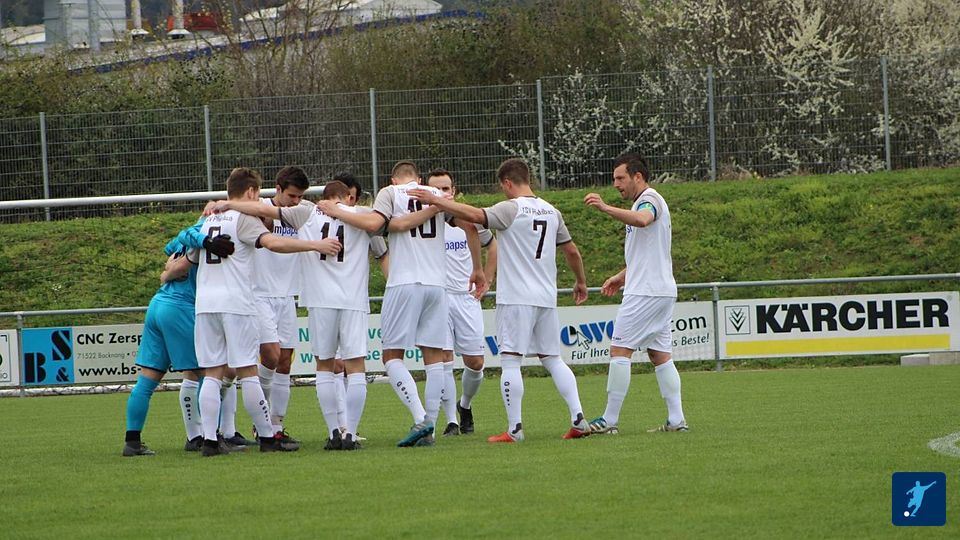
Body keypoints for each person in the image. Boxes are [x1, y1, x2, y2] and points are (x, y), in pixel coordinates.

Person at [409, 157, 591, 443]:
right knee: (553, 359)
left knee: (510, 362)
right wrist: (580, 281)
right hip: (546, 296)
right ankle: (578, 418)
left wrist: (437, 201)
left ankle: (515, 429)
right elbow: (571, 251)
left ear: (507, 183)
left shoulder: (511, 208)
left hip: (516, 297)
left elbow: (474, 215)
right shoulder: (551, 211)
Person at [317, 160, 485, 447]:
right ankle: (430, 429)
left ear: (393, 180)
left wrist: (336, 210)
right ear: (418, 179)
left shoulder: (390, 193)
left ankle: (421, 417)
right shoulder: (437, 196)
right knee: (434, 358)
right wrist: (478, 268)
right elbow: (470, 225)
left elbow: (377, 224)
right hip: (438, 285)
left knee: (392, 356)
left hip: (405, 281)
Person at [215, 181, 374, 451]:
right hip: (353, 300)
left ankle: (333, 433)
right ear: (348, 197)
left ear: (323, 197)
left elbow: (264, 209)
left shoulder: (308, 212)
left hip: (319, 300)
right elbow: (384, 224)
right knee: (355, 367)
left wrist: (228, 204)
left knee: (324, 366)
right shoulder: (363, 215)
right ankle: (350, 434)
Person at [195, 167, 342, 456]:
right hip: (243, 299)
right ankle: (265, 435)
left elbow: (188, 252)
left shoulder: (207, 219)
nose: (295, 200)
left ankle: (211, 440)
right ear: (254, 191)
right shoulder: (246, 217)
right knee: (250, 369)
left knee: (215, 372)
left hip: (208, 302)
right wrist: (315, 245)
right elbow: (272, 242)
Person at [582, 151, 687, 434]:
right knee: (659, 354)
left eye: (620, 178)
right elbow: (647, 254)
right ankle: (676, 419)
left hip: (646, 293)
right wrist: (621, 276)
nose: (616, 184)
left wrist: (605, 208)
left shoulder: (649, 199)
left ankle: (609, 420)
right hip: (659, 290)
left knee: (619, 350)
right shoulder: (644, 201)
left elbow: (642, 219)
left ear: (637, 176)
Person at [122, 222, 236, 456]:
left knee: (147, 379)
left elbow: (171, 249)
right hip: (181, 308)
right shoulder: (214, 233)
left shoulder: (190, 234)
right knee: (209, 373)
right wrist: (172, 270)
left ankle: (132, 441)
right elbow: (181, 262)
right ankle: (211, 438)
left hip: (158, 304)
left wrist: (168, 271)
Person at [426, 168, 497, 436]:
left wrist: (487, 278)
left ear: (453, 191)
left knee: (476, 363)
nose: (441, 193)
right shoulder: (423, 221)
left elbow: (493, 246)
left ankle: (464, 404)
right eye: (435, 189)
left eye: (445, 188)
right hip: (438, 297)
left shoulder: (469, 219)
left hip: (466, 298)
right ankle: (451, 421)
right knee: (443, 358)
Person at [251, 166, 310, 446]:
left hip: (287, 296)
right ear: (278, 189)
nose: (295, 201)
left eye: (300, 197)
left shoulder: (302, 212)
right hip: (259, 294)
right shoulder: (260, 210)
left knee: (285, 361)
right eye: (291, 196)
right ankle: (260, 422)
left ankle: (276, 426)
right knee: (271, 356)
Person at [330, 171, 389, 439]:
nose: (349, 202)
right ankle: (340, 427)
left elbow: (382, 254)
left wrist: (393, 287)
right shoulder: (315, 217)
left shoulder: (365, 222)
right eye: (346, 196)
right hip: (327, 300)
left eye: (353, 197)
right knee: (334, 365)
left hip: (351, 300)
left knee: (348, 364)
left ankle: (347, 429)